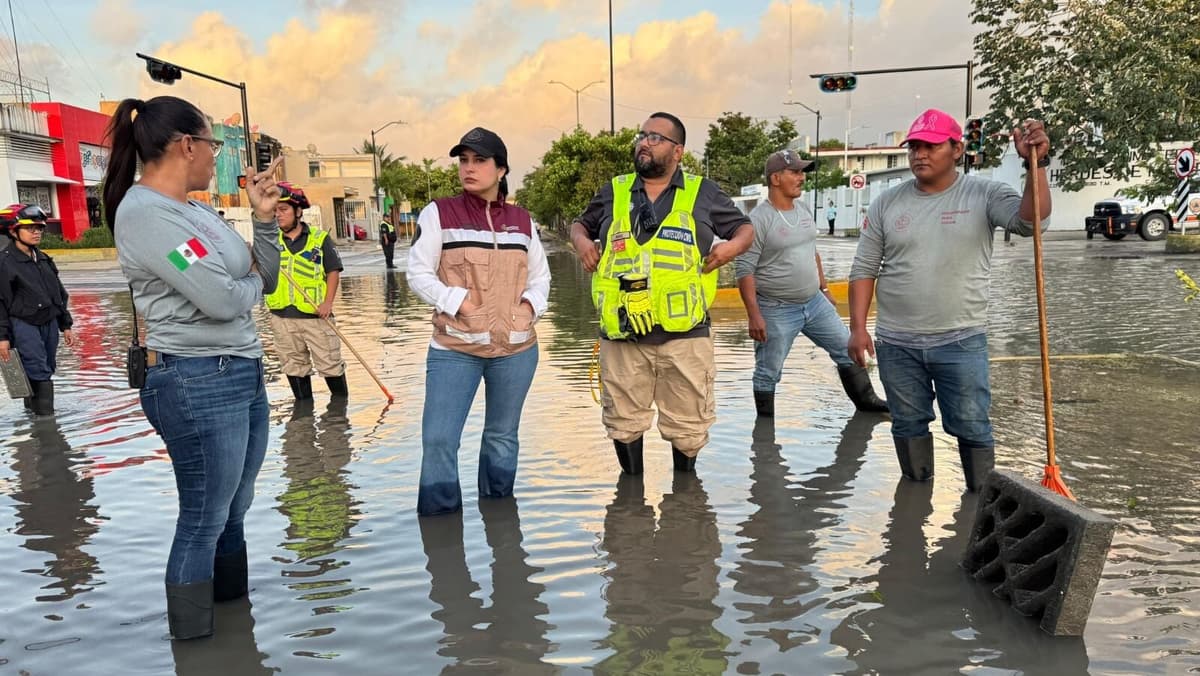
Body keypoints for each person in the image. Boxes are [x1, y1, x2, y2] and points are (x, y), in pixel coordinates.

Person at [102, 95, 282, 640]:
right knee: (204, 519)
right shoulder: (146, 216)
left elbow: (262, 279)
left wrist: (265, 219)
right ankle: (195, 649)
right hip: (194, 378)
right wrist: (244, 285)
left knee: (233, 510)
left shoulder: (198, 210)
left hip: (241, 370)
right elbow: (224, 299)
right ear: (187, 145)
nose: (215, 157)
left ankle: (235, 638)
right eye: (213, 145)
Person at [847, 109, 1051, 492]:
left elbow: (1031, 222)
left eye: (931, 146)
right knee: (907, 423)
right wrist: (858, 329)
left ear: (957, 149)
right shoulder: (887, 203)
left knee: (972, 424)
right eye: (914, 147)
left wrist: (1034, 164)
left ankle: (978, 503)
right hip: (896, 342)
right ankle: (915, 502)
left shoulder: (984, 193)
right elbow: (864, 269)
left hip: (960, 339)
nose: (919, 155)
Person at [571, 112, 754, 475]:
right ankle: (631, 502)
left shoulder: (704, 193)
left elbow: (744, 229)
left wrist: (730, 249)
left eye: (655, 137)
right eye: (642, 135)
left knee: (689, 429)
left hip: (685, 339)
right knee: (623, 425)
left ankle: (685, 506)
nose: (644, 142)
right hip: (622, 338)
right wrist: (581, 242)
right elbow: (581, 223)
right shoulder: (615, 190)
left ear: (678, 151)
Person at [407, 127, 550, 516]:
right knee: (438, 439)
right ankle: (440, 531)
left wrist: (529, 309)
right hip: (455, 349)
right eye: (463, 160)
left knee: (502, 437)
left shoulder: (522, 221)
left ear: (501, 169)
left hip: (516, 350)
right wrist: (459, 302)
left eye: (479, 160)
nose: (469, 169)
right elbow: (418, 272)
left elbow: (541, 277)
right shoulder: (439, 213)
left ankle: (500, 520)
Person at [735, 150, 887, 418]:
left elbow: (812, 251)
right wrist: (754, 315)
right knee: (768, 371)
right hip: (776, 308)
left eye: (802, 171)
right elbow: (744, 269)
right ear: (776, 178)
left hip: (814, 303)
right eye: (795, 172)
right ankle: (765, 433)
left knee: (846, 347)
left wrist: (824, 288)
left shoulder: (803, 209)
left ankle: (867, 402)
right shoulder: (759, 220)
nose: (801, 177)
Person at [265, 181, 347, 400]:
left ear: (298, 211)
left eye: (283, 210)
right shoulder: (270, 242)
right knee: (294, 367)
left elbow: (333, 271)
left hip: (316, 316)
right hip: (281, 318)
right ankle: (304, 419)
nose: (278, 215)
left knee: (330, 364)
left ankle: (338, 417)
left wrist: (328, 303)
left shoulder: (319, 239)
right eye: (274, 211)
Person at [0, 204, 75, 415]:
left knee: (47, 367)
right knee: (38, 369)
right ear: (13, 231)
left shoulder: (43, 259)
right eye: (30, 228)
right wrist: (2, 337)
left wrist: (65, 324)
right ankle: (46, 427)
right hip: (23, 324)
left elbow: (58, 294)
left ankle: (33, 415)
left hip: (49, 322)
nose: (36, 232)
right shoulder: (4, 262)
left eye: (39, 228)